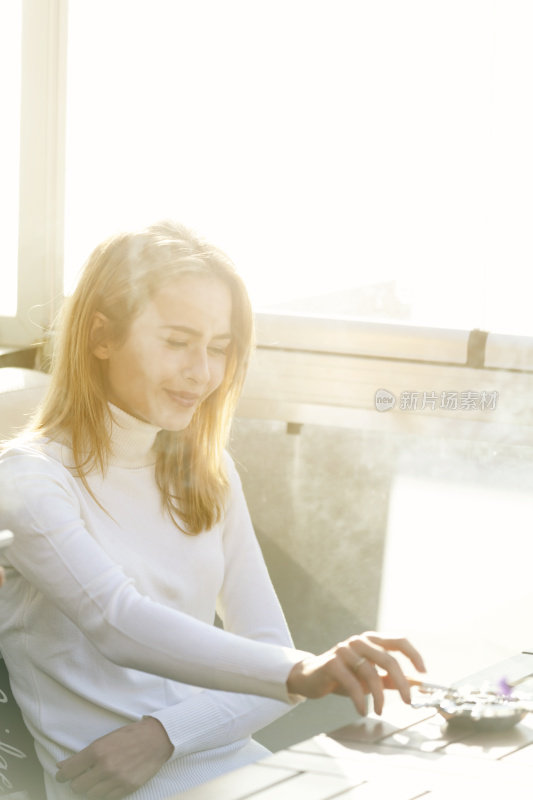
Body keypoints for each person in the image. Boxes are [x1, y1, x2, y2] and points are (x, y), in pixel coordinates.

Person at [0, 222, 426, 800]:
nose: (203, 373)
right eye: (177, 342)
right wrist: (300, 670)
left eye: (219, 348)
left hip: (236, 766)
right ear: (101, 336)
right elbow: (120, 623)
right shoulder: (27, 480)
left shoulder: (206, 471)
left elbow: (266, 650)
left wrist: (167, 734)